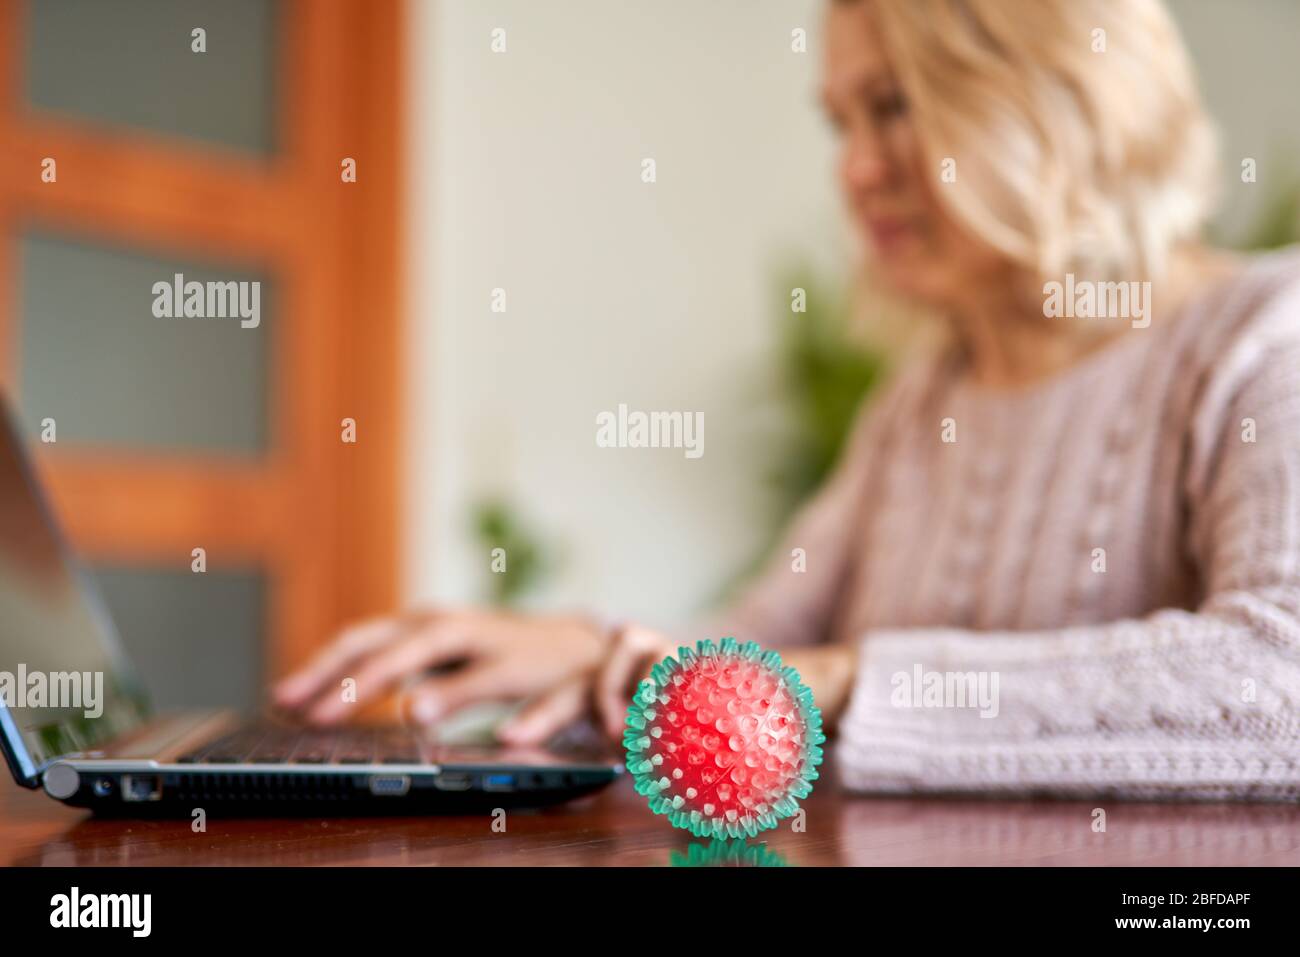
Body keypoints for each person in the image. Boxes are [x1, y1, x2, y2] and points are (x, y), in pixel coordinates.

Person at [275, 0, 1300, 799]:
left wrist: (854, 683)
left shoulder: (1264, 336)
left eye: (896, 105)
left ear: (1067, 92)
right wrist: (598, 650)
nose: (855, 169)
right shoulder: (922, 399)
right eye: (841, 121)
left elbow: (1280, 687)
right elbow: (767, 643)